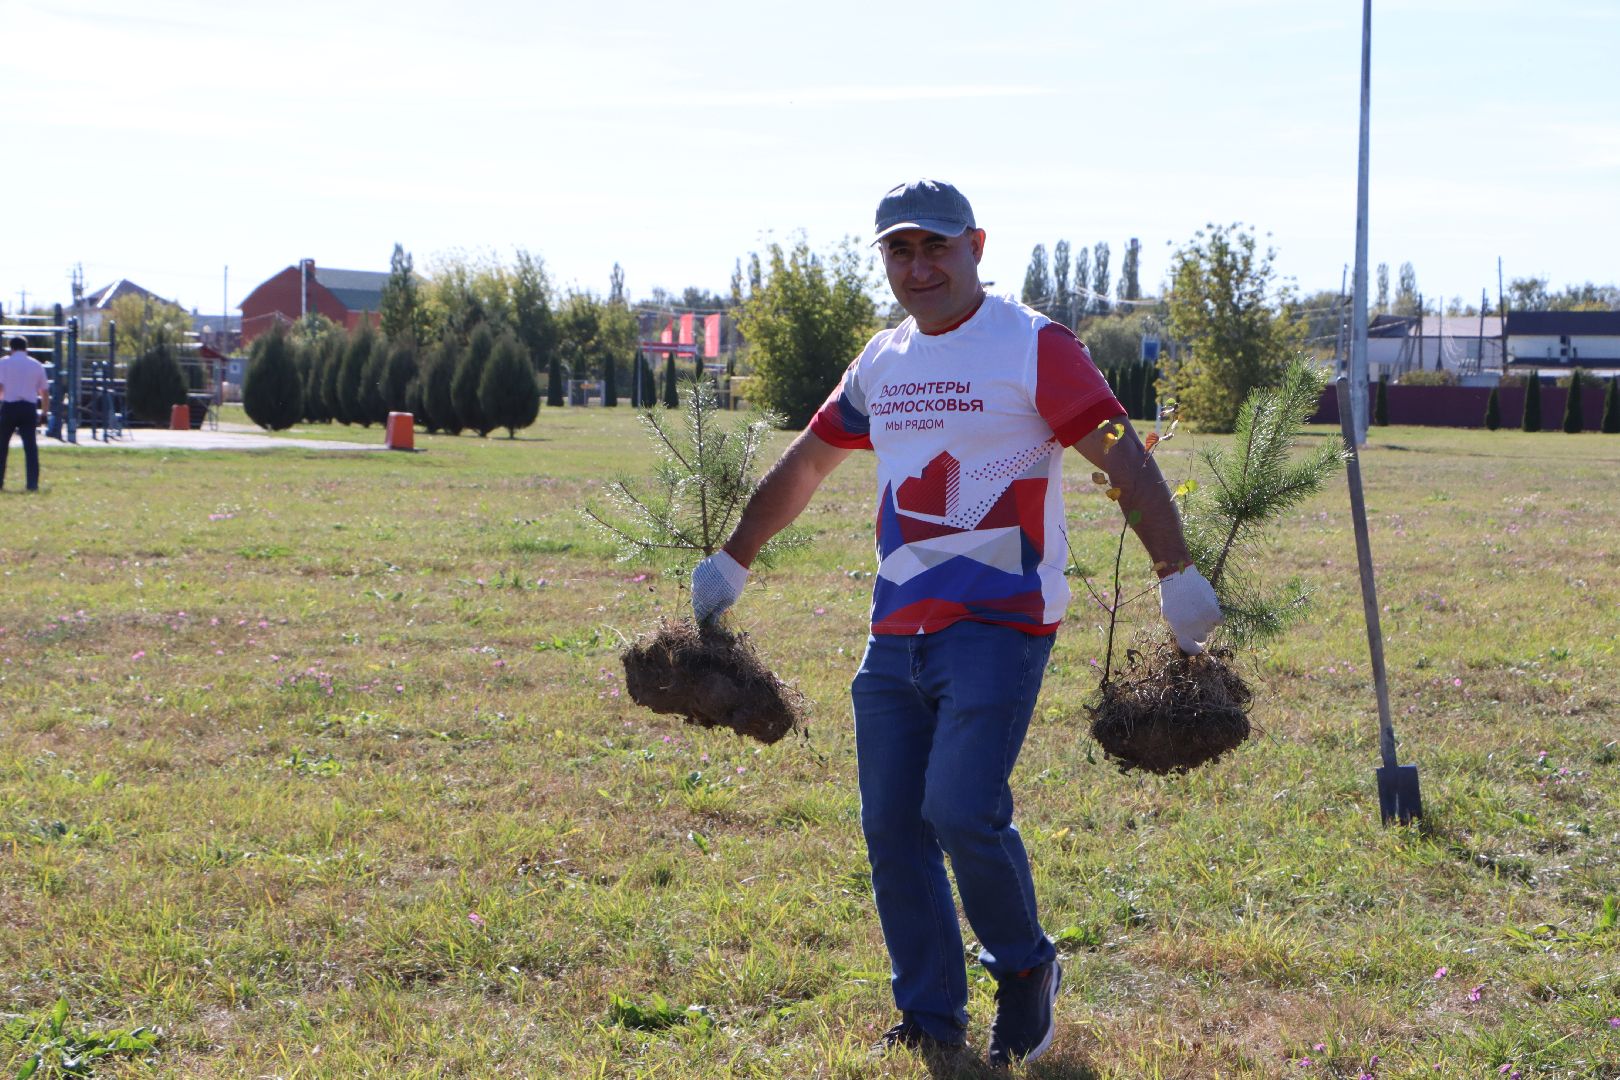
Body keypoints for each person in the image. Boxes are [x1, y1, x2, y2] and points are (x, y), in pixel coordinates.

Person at [690, 180, 1222, 1067]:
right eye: (899, 250)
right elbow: (808, 464)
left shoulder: (1032, 345)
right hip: (895, 631)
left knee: (961, 808)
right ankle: (931, 1014)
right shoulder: (882, 360)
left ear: (976, 246)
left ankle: (1026, 967)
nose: (918, 267)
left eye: (935, 246)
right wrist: (735, 557)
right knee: (894, 827)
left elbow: (1122, 455)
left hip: (999, 623)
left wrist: (1177, 573)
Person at [0, 336, 50, 492]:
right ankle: (32, 484)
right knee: (30, 448)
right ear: (25, 348)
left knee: (2, 446)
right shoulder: (36, 365)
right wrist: (44, 413)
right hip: (28, 408)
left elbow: (0, 388)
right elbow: (44, 392)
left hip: (9, 407)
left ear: (11, 348)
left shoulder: (4, 363)